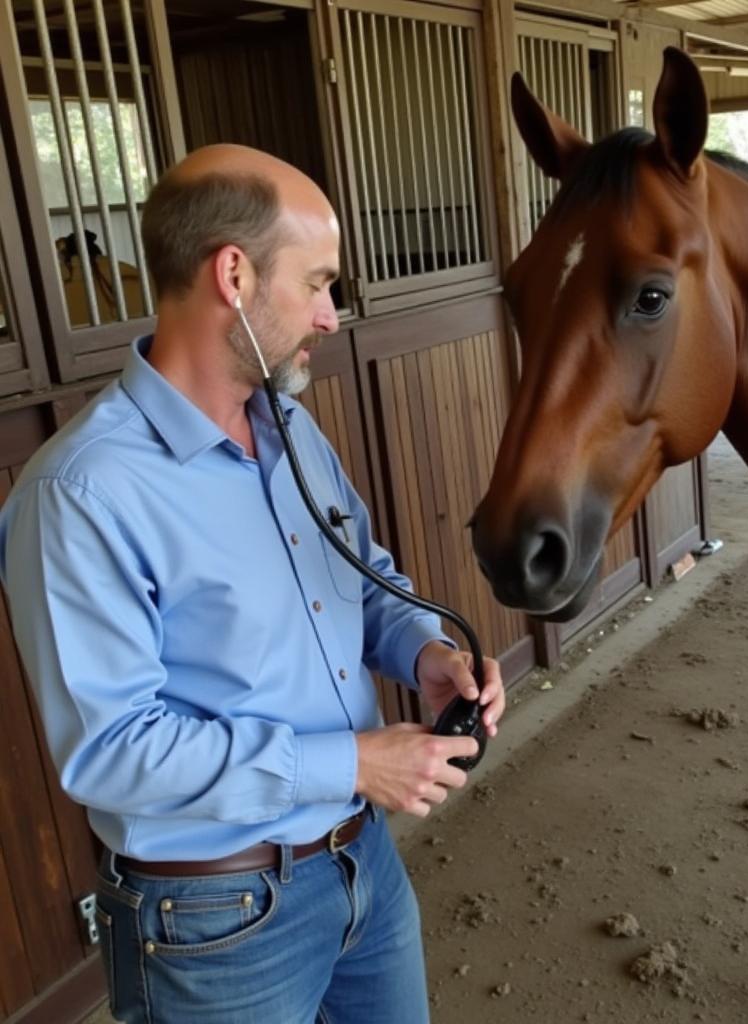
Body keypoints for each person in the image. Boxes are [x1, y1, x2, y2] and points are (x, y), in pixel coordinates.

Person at [0, 144, 505, 1024]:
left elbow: (365, 578)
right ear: (233, 274)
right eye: (317, 283)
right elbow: (114, 749)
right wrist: (350, 761)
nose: (331, 314)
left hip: (362, 865)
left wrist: (423, 652)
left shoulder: (292, 432)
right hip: (211, 920)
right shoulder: (78, 493)